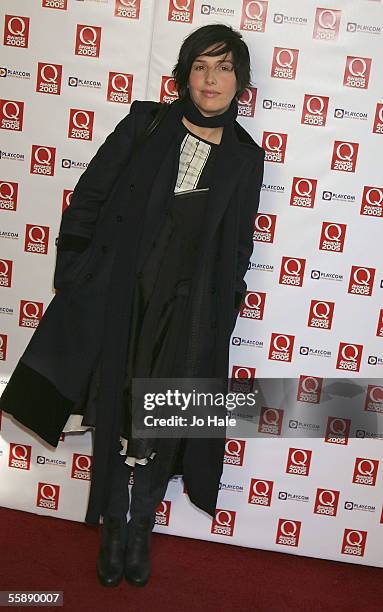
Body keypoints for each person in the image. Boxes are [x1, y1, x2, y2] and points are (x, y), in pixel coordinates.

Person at [0, 24, 265, 587]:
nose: (211, 79)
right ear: (184, 74)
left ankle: (141, 526)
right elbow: (91, 195)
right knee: (113, 408)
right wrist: (74, 273)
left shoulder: (245, 156)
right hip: (120, 299)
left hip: (186, 314)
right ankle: (113, 527)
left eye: (223, 67)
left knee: (162, 420)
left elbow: (239, 243)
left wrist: (225, 310)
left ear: (240, 79)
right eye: (200, 65)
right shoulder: (146, 123)